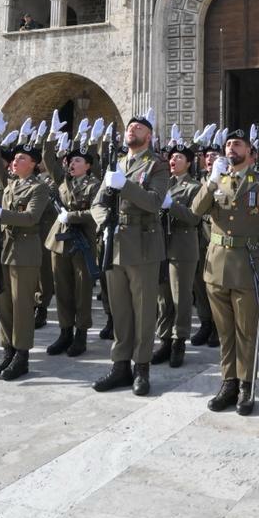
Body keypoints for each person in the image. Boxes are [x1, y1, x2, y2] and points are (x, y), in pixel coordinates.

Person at [191, 128, 259, 415]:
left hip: (247, 263)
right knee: (224, 332)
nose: (231, 148)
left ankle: (246, 385)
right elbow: (196, 212)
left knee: (246, 330)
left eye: (238, 144)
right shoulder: (216, 180)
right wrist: (210, 182)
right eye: (228, 144)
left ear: (251, 153)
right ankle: (228, 383)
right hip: (216, 263)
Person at [92, 114, 169, 395]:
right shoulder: (118, 163)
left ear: (148, 136)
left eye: (138, 127)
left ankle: (142, 368)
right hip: (115, 244)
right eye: (129, 127)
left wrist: (124, 185)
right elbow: (97, 203)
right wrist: (104, 224)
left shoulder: (157, 165)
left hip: (144, 246)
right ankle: (120, 366)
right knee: (120, 310)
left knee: (144, 311)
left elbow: (153, 202)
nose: (131, 130)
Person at [0, 118, 52, 382]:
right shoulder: (11, 183)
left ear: (34, 163)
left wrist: (1, 214)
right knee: (3, 303)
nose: (14, 162)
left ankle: (22, 355)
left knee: (21, 305)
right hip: (4, 247)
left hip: (25, 250)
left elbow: (31, 218)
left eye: (21, 158)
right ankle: (8, 350)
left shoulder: (39, 187)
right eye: (14, 158)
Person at [43, 119, 102, 360]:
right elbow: (48, 160)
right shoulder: (62, 181)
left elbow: (96, 213)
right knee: (63, 290)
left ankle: (81, 334)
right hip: (59, 242)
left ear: (88, 166)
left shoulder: (95, 185)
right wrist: (52, 136)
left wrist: (74, 215)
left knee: (81, 291)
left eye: (78, 160)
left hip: (82, 244)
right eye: (71, 160)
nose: (71, 164)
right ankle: (64, 331)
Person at [152, 133, 202, 369]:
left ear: (189, 162)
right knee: (163, 298)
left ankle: (179, 340)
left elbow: (193, 217)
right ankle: (164, 339)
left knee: (180, 296)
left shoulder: (194, 187)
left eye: (179, 157)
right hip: (160, 244)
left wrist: (172, 206)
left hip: (182, 246)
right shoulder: (163, 183)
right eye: (172, 157)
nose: (173, 160)